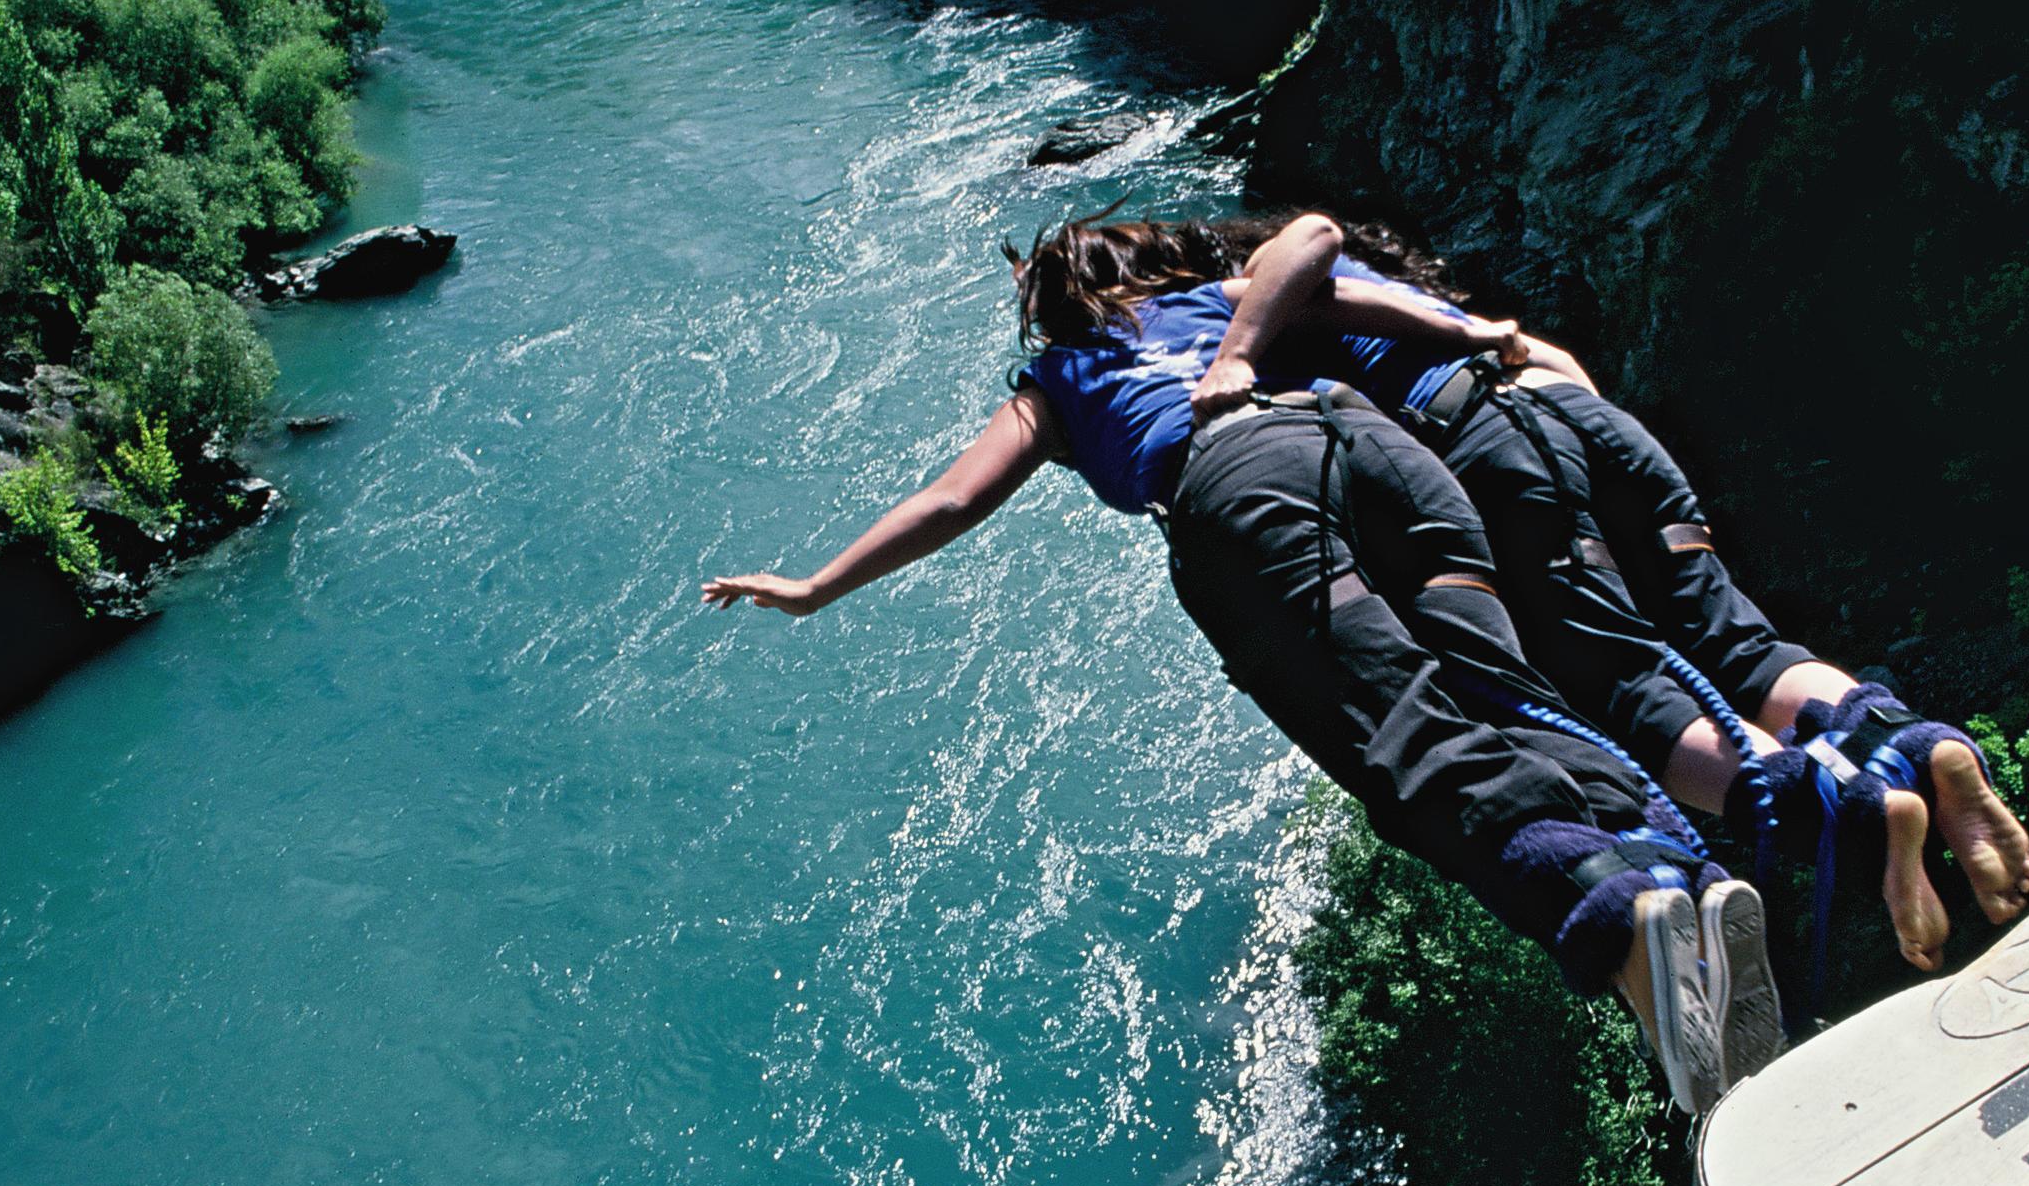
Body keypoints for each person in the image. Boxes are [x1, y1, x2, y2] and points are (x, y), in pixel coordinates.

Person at [702, 212, 1783, 1112]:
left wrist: (813, 587)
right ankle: (1683, 880)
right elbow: (1337, 268)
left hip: (1239, 489)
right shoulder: (1223, 295)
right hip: (1372, 445)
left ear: (1049, 306)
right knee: (1507, 691)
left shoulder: (1058, 376)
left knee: (1409, 740)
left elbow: (951, 499)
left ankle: (1629, 933)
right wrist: (1486, 336)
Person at [1201, 213, 2029, 977]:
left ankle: (1848, 811)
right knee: (1735, 641)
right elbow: (1561, 370)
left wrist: (1239, 352)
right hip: (1582, 418)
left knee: (1622, 687)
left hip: (1480, 441)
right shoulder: (1430, 300)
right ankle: (1913, 744)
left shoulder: (1280, 312)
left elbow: (1312, 286)